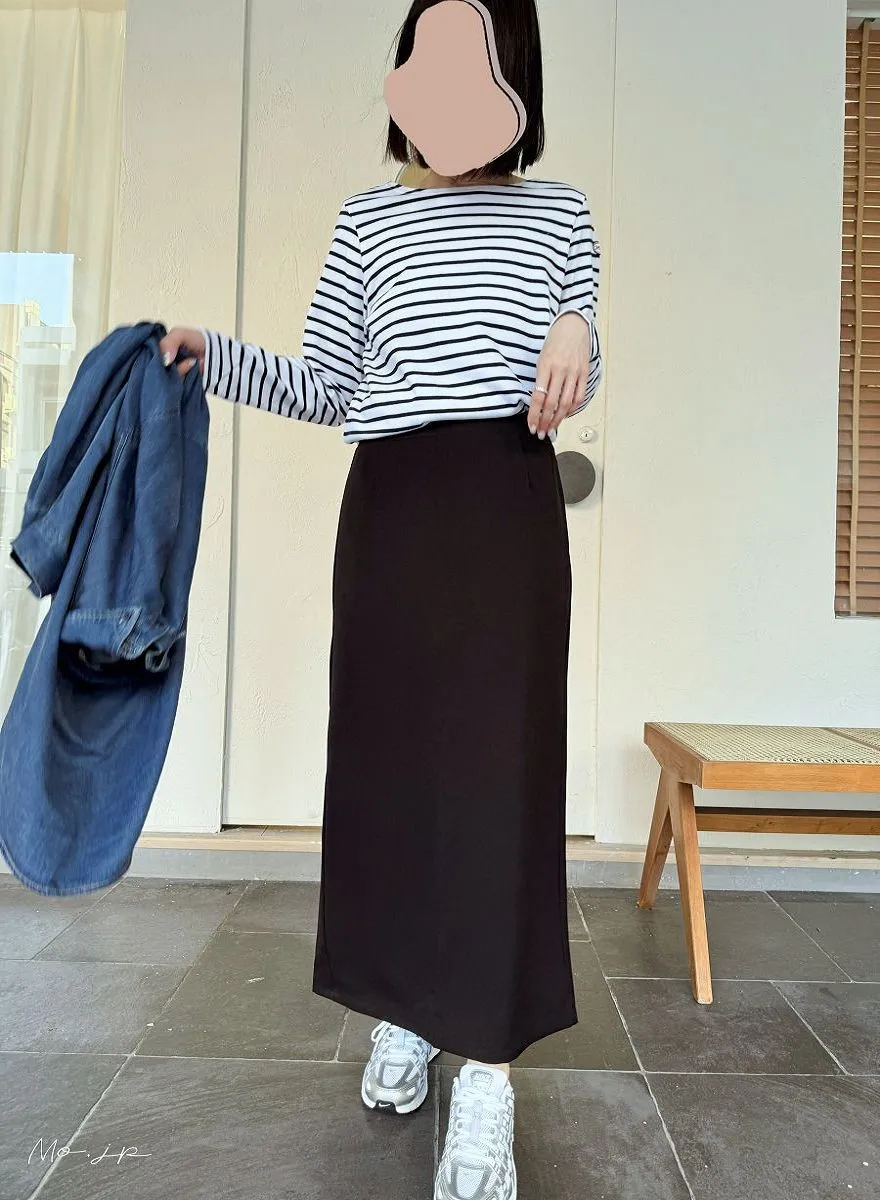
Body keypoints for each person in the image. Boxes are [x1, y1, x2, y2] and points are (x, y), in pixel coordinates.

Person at [160, 2, 602, 1196]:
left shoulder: (561, 215)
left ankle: (488, 1073)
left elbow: (576, 368)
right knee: (391, 776)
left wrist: (576, 324)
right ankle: (407, 1008)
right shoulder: (369, 220)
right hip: (393, 511)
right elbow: (326, 385)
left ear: (513, 77)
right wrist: (209, 349)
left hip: (505, 507)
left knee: (499, 785)